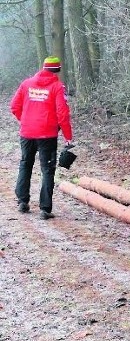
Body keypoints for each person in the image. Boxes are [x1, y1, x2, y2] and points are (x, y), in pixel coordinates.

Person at [10, 56, 73, 220]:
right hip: (47, 135)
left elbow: (14, 107)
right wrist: (68, 137)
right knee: (47, 170)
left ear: (43, 68)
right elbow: (63, 114)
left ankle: (22, 201)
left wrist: (25, 121)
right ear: (58, 70)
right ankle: (45, 209)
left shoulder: (26, 83)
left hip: (27, 133)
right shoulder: (58, 87)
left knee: (25, 164)